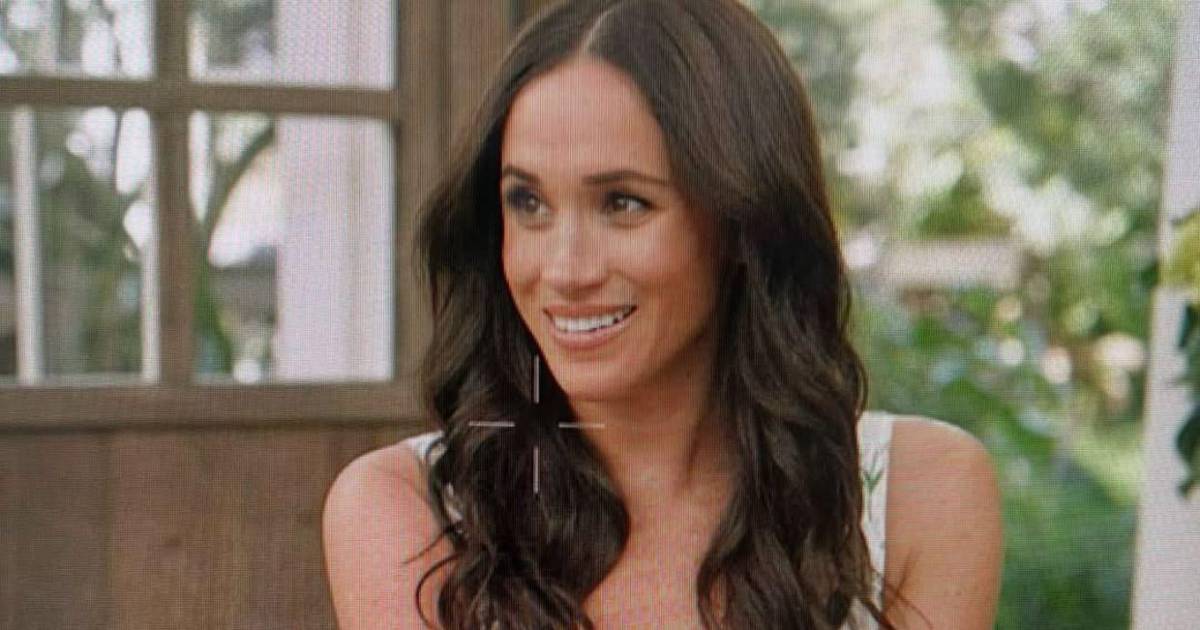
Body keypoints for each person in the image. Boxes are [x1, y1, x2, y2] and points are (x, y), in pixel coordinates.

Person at [323, 1, 1003, 628]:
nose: (564, 269)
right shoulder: (409, 512)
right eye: (527, 203)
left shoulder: (915, 496)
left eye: (623, 203)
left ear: (741, 222)